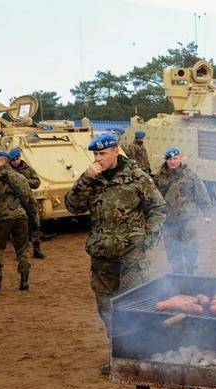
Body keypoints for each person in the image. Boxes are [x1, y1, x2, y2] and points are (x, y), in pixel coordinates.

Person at [65, 133, 165, 336]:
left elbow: (158, 207)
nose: (98, 158)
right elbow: (73, 207)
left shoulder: (137, 177)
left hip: (131, 253)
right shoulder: (92, 179)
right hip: (101, 252)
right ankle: (118, 352)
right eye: (95, 154)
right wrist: (85, 179)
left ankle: (137, 349)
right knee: (105, 306)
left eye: (102, 153)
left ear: (115, 151)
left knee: (132, 302)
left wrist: (147, 241)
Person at [0, 151, 37, 292]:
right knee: (23, 249)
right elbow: (30, 199)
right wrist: (34, 219)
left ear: (1, 161)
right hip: (21, 217)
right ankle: (24, 281)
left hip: (3, 219)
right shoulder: (21, 178)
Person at [153, 148, 211, 274]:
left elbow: (201, 193)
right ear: (166, 161)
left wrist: (207, 213)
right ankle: (177, 272)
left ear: (180, 159)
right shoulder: (159, 177)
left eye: (175, 159)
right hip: (169, 219)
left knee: (190, 244)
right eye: (169, 159)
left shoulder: (190, 175)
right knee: (172, 247)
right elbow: (155, 198)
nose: (172, 162)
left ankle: (190, 271)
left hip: (187, 217)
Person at [8, 147, 45, 259]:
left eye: (17, 158)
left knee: (35, 224)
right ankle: (20, 252)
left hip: (29, 201)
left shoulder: (27, 169)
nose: (16, 161)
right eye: (13, 160)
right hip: (15, 202)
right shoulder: (8, 171)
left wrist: (24, 182)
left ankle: (37, 249)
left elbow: (37, 182)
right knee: (17, 228)